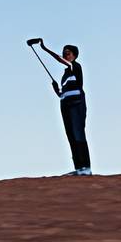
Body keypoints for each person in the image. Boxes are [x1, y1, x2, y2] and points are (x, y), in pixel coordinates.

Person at [37, 39, 91, 176]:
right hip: (66, 105)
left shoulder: (75, 66)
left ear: (74, 55)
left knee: (78, 134)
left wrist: (44, 48)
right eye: (64, 53)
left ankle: (86, 167)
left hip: (76, 105)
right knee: (71, 136)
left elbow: (59, 60)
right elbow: (63, 95)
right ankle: (79, 168)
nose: (65, 55)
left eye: (68, 53)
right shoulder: (65, 75)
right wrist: (57, 90)